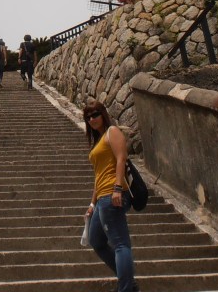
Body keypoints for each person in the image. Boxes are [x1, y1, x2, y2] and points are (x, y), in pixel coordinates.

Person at [83, 100, 138, 292]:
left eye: (95, 114)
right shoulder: (99, 140)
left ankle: (126, 287)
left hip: (112, 193)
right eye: (88, 117)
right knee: (96, 240)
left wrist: (117, 188)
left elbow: (121, 158)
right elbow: (98, 175)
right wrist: (92, 204)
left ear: (103, 114)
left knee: (120, 243)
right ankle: (128, 282)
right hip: (102, 197)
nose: (91, 119)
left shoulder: (112, 132)